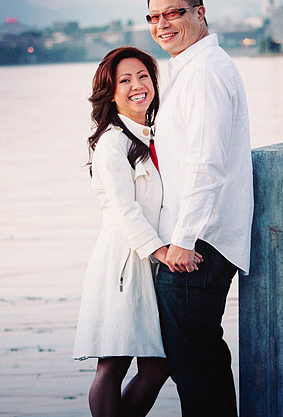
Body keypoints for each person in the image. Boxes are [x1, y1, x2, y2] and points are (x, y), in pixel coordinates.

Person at [146, 0, 254, 417]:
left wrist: (183, 242)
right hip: (195, 240)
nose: (162, 24)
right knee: (197, 360)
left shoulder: (206, 72)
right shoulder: (191, 68)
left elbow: (207, 165)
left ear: (199, 13)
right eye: (154, 17)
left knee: (196, 364)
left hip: (198, 245)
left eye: (173, 12)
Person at [73, 46, 201, 417]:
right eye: (124, 80)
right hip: (124, 261)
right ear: (110, 92)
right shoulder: (112, 141)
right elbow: (124, 210)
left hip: (150, 260)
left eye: (143, 76)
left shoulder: (153, 136)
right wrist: (165, 252)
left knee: (158, 366)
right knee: (113, 364)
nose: (136, 86)